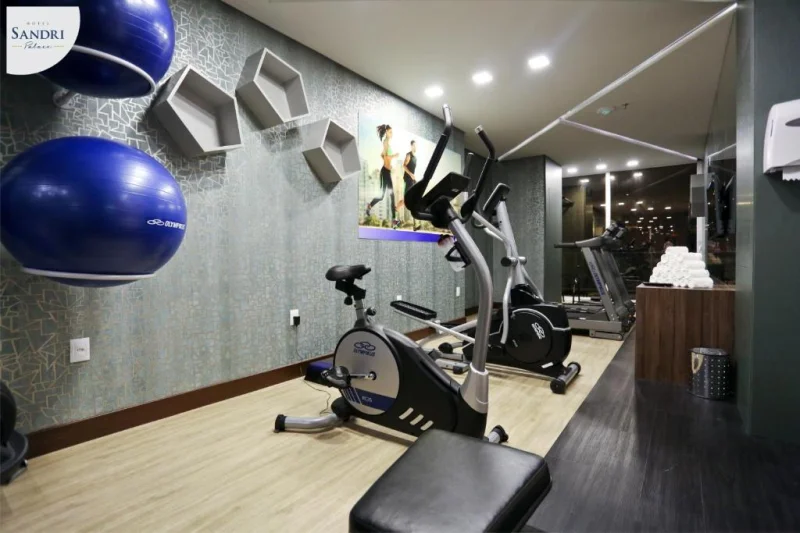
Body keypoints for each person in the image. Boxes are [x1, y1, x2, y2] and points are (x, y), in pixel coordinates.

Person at [366, 124, 400, 227]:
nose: (391, 134)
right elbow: (386, 156)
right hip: (385, 172)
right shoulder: (386, 143)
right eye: (390, 132)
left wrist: (388, 164)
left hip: (387, 171)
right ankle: (393, 221)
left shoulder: (387, 144)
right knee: (385, 196)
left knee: (389, 196)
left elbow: (382, 155)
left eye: (392, 132)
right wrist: (394, 156)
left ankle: (393, 221)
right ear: (386, 133)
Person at [397, 140, 418, 227]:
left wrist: (414, 178)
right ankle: (396, 216)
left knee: (411, 200)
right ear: (411, 146)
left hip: (412, 180)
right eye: (414, 145)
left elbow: (413, 171)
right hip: (408, 180)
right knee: (406, 200)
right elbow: (404, 166)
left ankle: (415, 224)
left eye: (416, 146)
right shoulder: (408, 155)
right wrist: (410, 174)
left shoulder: (415, 158)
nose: (415, 147)